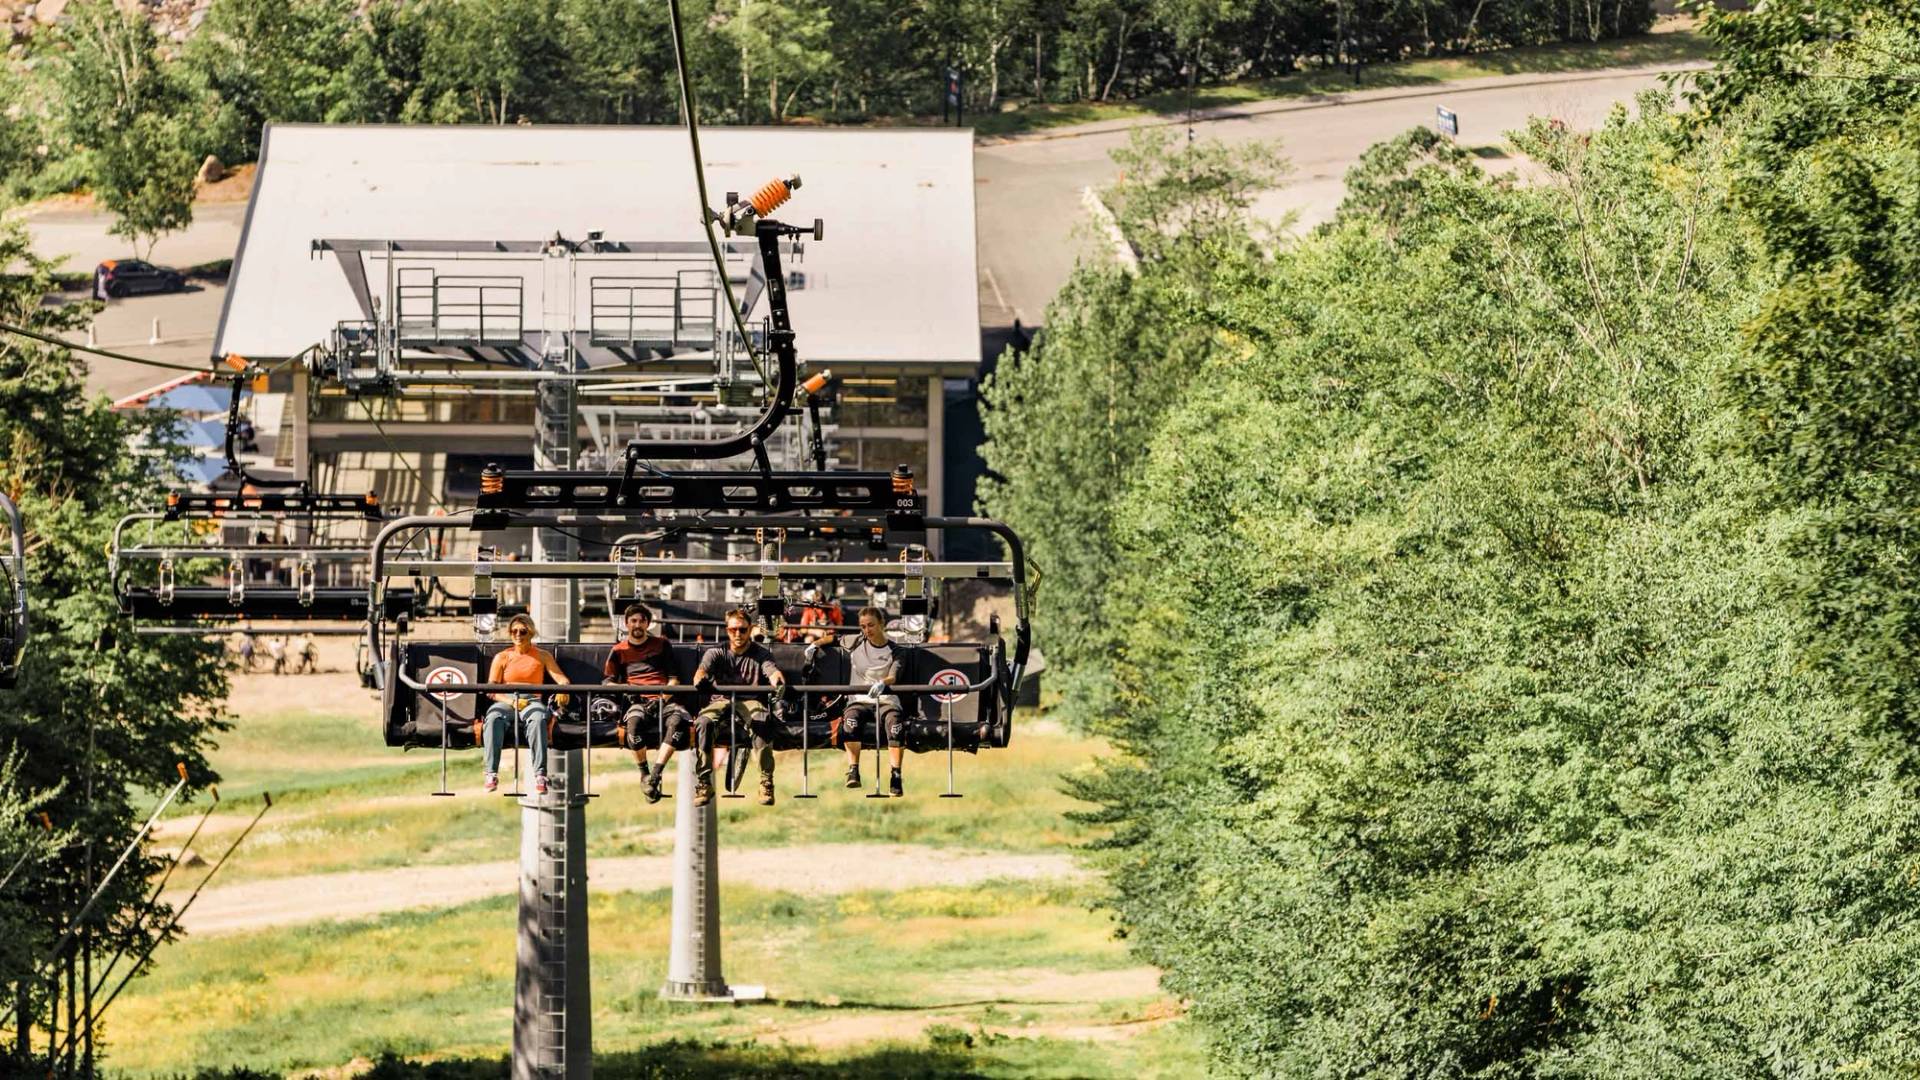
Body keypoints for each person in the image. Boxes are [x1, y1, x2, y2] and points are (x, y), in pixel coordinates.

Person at [692, 608, 786, 807]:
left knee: (761, 719)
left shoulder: (761, 653)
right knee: (703, 722)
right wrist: (700, 678)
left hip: (749, 699)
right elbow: (702, 670)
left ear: (749, 629)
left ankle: (766, 781)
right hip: (722, 699)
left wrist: (778, 681)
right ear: (727, 630)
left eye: (742, 630)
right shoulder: (717, 652)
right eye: (733, 630)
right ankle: (703, 782)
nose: (738, 634)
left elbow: (772, 671)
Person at [603, 603, 689, 805]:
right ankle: (644, 773)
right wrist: (627, 691)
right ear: (626, 624)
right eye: (633, 621)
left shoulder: (661, 644)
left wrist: (661, 700)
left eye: (642, 621)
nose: (638, 625)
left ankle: (656, 774)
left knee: (677, 722)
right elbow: (608, 680)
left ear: (648, 624)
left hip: (663, 697)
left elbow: (673, 679)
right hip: (637, 699)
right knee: (632, 725)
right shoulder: (618, 650)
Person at [479, 613, 571, 795]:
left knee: (537, 719)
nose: (518, 635)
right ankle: (491, 772)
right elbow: (491, 689)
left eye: (523, 631)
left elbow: (561, 678)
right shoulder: (502, 658)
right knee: (493, 718)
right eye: (514, 631)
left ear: (531, 633)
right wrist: (510, 701)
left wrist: (563, 688)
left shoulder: (542, 656)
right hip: (507, 699)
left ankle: (540, 774)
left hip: (532, 700)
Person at [841, 605, 908, 796]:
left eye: (871, 625)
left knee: (895, 724)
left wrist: (882, 683)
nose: (866, 630)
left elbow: (894, 675)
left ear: (881, 624)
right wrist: (815, 645)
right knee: (851, 720)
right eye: (862, 626)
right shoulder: (855, 642)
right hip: (859, 700)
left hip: (885, 699)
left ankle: (896, 775)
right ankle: (853, 770)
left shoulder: (895, 650)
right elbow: (833, 639)